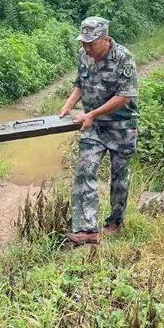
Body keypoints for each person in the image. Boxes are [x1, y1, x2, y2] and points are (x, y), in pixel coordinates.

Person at [58, 16, 138, 246]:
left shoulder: (123, 58)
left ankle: (115, 221)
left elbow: (124, 96)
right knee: (85, 169)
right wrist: (69, 104)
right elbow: (80, 84)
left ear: (105, 39)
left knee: (119, 178)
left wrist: (92, 113)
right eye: (83, 42)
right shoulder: (84, 55)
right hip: (93, 127)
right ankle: (86, 229)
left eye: (91, 43)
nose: (86, 47)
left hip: (122, 127)